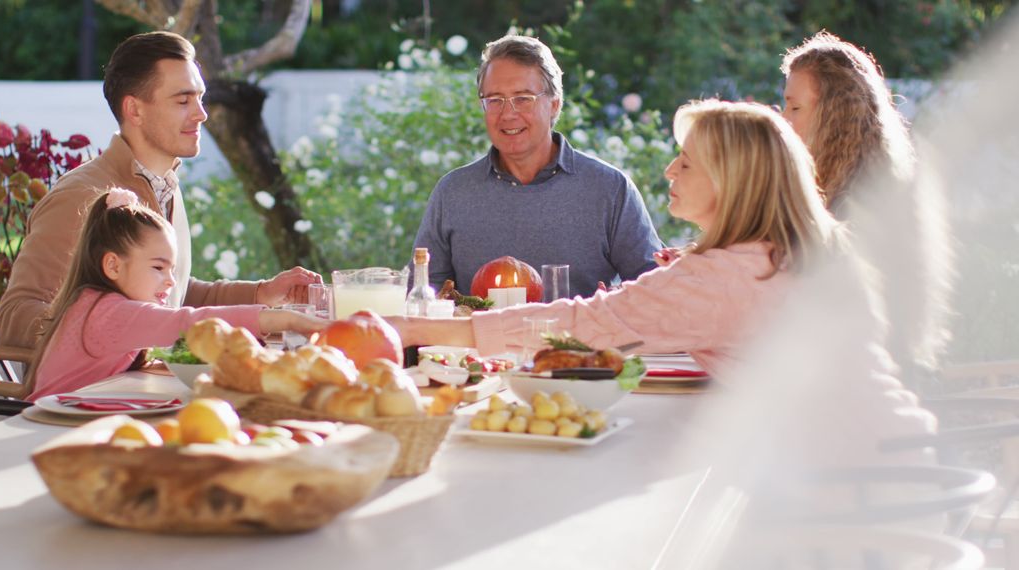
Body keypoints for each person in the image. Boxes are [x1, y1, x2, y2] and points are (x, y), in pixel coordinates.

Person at [393, 99, 935, 465]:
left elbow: (581, 326)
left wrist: (414, 329)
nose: (670, 173)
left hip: (850, 492)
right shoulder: (803, 250)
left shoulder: (724, 274)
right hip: (897, 459)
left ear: (730, 182)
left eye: (687, 163)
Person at [0, 31, 321, 350]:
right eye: (183, 100)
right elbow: (16, 316)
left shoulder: (166, 187)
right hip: (95, 398)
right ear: (135, 110)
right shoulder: (82, 196)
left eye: (200, 98)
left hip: (154, 386)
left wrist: (261, 293)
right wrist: (113, 330)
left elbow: (175, 292)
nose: (202, 114)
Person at [411, 34, 663, 298]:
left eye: (523, 98)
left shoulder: (610, 189)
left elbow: (654, 288)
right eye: (495, 99)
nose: (508, 114)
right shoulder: (453, 192)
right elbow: (425, 293)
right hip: (475, 340)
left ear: (554, 105)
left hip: (575, 339)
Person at [27, 189, 325, 401]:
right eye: (158, 267)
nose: (170, 281)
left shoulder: (100, 304)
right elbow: (187, 322)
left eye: (172, 269)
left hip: (72, 424)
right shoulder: (108, 312)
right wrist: (283, 319)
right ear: (113, 265)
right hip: (40, 433)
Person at [781, 31, 951, 382]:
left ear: (835, 115)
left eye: (795, 107)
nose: (784, 120)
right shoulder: (872, 185)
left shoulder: (856, 205)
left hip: (858, 391)